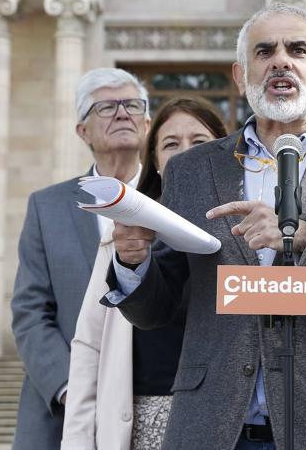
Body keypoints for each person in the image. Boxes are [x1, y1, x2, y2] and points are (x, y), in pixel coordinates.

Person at [107, 3, 306, 450]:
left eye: (297, 49)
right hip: (212, 429)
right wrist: (132, 263)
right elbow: (159, 310)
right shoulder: (193, 171)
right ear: (240, 75)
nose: (281, 61)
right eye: (264, 51)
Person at [60, 96, 226, 450]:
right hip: (142, 426)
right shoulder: (122, 239)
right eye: (170, 144)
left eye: (199, 142)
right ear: (154, 162)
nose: (185, 154)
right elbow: (89, 347)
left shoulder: (255, 239)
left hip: (226, 425)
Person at [10, 67, 150, 450]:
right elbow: (30, 309)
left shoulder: (171, 200)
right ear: (82, 131)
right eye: (106, 107)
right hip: (62, 415)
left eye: (132, 105)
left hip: (152, 404)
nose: (122, 113)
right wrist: (74, 390)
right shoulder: (47, 206)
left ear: (147, 122)